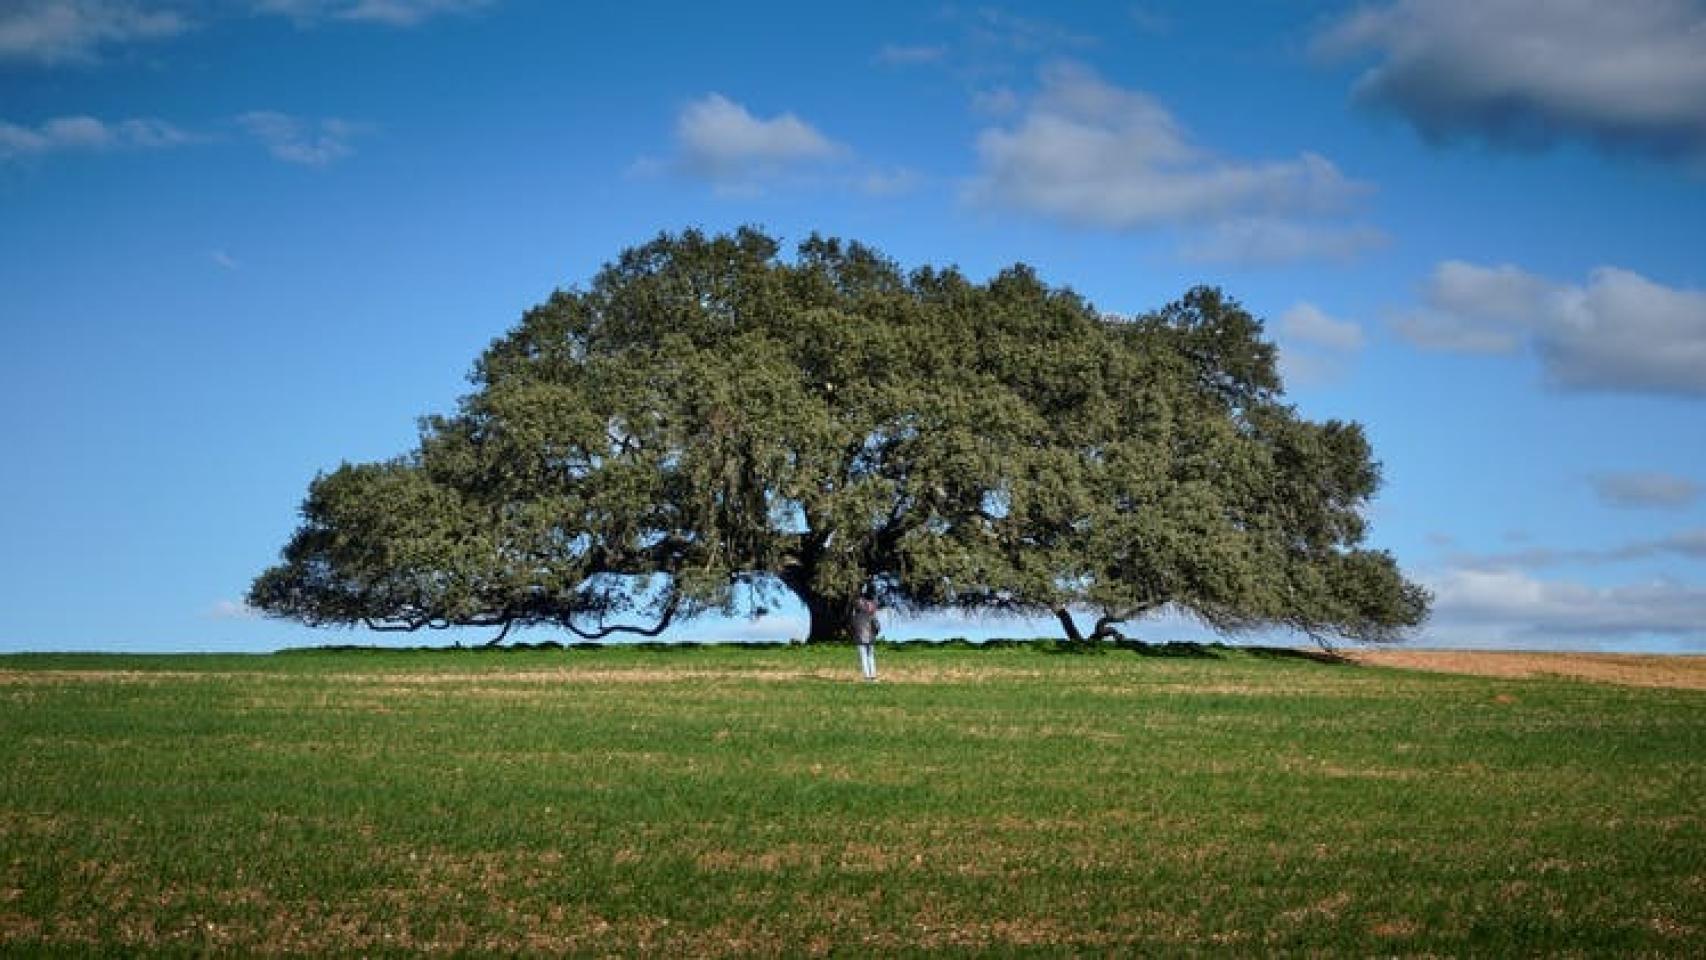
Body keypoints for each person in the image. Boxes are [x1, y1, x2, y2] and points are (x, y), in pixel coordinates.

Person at [851, 595, 879, 681]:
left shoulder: (855, 617)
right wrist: (875, 634)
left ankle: (867, 677)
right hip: (870, 638)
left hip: (859, 639)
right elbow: (877, 626)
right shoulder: (871, 615)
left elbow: (852, 628)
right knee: (871, 656)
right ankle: (873, 676)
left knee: (863, 657)